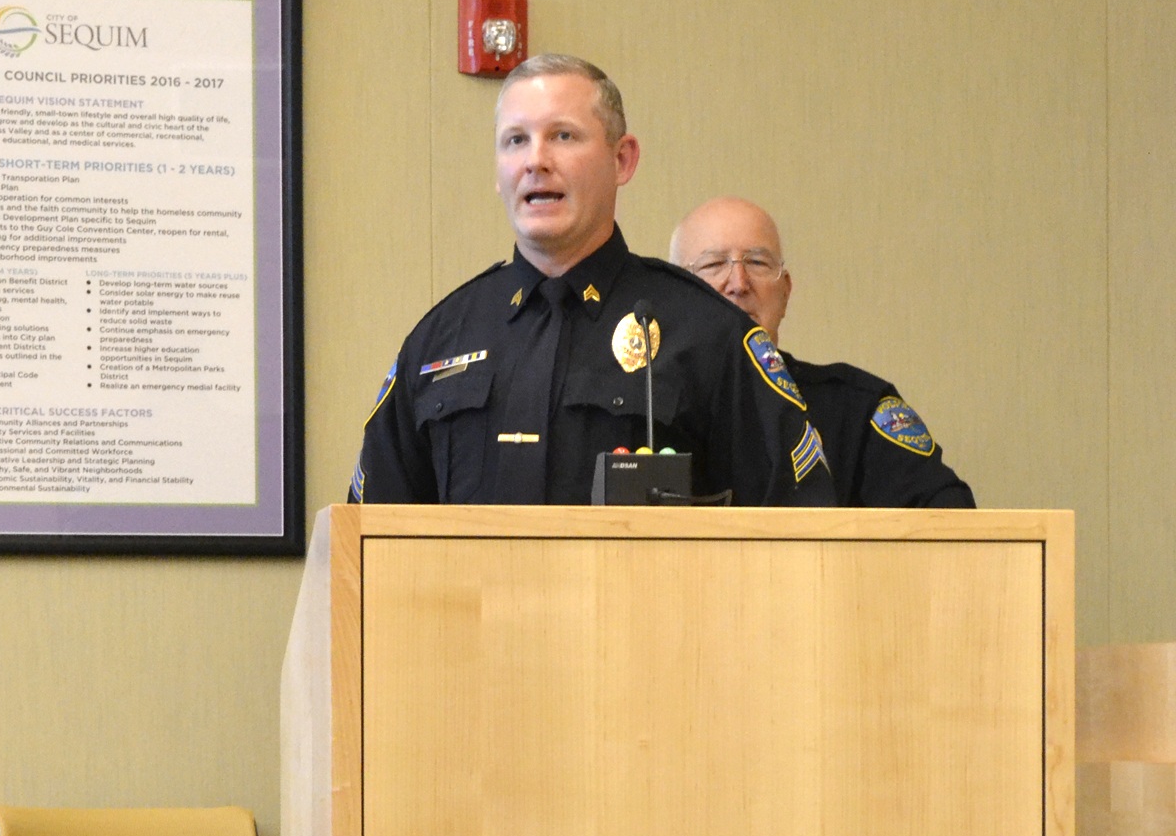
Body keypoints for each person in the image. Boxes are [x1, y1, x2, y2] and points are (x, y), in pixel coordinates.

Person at [349, 58, 833, 507]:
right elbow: (368, 537)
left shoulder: (707, 332)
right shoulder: (440, 339)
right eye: (515, 140)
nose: (535, 160)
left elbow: (798, 527)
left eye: (562, 136)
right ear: (498, 172)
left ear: (622, 160)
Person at [669, 197, 975, 508]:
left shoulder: (858, 410)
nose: (739, 283)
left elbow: (952, 520)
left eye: (757, 263)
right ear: (677, 296)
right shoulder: (647, 412)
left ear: (785, 292)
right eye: (713, 265)